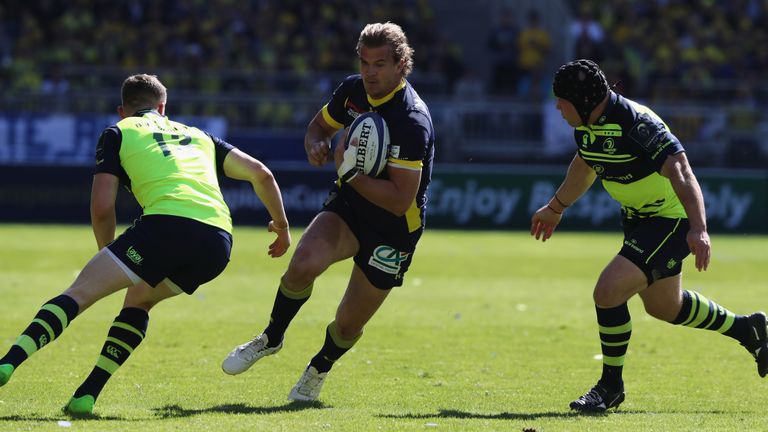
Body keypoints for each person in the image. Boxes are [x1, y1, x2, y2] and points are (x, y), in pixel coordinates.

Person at [0, 74, 291, 416]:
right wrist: (282, 226)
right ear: (163, 107)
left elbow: (102, 206)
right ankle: (85, 396)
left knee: (80, 294)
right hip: (218, 242)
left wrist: (106, 253)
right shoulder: (200, 136)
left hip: (166, 225)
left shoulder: (118, 132)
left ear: (122, 110)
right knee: (139, 300)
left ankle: (7, 363)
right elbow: (262, 174)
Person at [531, 59, 768, 412]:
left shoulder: (636, 123)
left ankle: (610, 388)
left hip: (668, 219)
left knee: (608, 291)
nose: (557, 107)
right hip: (638, 219)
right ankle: (749, 330)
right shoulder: (588, 125)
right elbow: (585, 165)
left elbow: (681, 169)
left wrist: (698, 228)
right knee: (665, 307)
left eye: (561, 100)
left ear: (583, 101)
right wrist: (556, 207)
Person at [222, 22, 435, 402]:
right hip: (350, 207)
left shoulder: (411, 120)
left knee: (348, 323)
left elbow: (399, 199)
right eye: (365, 62)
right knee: (303, 264)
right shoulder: (353, 90)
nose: (370, 73)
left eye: (380, 64)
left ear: (401, 64)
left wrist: (347, 172)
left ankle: (318, 369)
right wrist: (316, 144)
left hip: (394, 228)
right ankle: (271, 337)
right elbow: (318, 127)